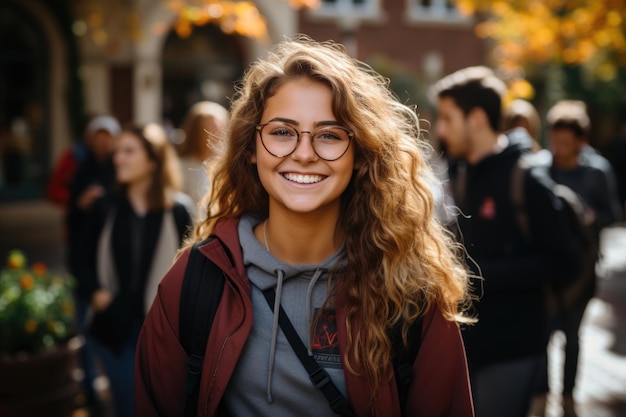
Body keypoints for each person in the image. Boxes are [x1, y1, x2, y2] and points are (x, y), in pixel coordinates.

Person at [135, 36, 475, 417]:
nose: (304, 153)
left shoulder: (410, 290)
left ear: (361, 155)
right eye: (282, 132)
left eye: (329, 135)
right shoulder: (197, 279)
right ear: (251, 147)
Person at [429, 66, 581, 417]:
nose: (440, 128)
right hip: (464, 345)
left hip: (513, 349)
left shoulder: (528, 180)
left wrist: (481, 275)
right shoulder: (458, 173)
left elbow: (565, 262)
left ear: (477, 118)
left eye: (448, 118)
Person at [74, 123, 194, 417]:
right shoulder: (104, 206)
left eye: (129, 151)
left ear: (153, 160)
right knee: (129, 405)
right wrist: (97, 294)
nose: (118, 159)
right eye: (117, 153)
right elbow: (80, 261)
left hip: (163, 329)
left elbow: (193, 268)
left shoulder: (178, 210)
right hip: (115, 328)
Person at [528, 100, 623, 417]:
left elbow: (611, 215)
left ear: (581, 142)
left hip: (581, 269)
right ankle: (541, 397)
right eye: (555, 139)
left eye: (566, 142)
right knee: (542, 333)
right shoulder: (540, 168)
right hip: (546, 267)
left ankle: (568, 399)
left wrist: (584, 216)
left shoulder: (596, 172)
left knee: (571, 334)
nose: (558, 147)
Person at [175, 100, 229, 207]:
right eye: (212, 127)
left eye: (221, 127)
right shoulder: (180, 168)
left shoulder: (228, 167)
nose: (218, 133)